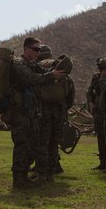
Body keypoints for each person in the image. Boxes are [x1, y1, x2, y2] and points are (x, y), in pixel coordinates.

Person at [7, 37, 67, 189]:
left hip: (31, 112)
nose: (38, 52)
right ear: (26, 49)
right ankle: (18, 180)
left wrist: (55, 71)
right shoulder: (19, 64)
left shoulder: (32, 64)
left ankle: (24, 176)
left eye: (39, 50)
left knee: (32, 145)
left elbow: (43, 73)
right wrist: (51, 76)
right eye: (35, 49)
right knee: (22, 145)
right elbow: (31, 79)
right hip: (19, 112)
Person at [36, 46, 75, 182]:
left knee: (42, 143)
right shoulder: (63, 71)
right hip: (59, 114)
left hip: (43, 113)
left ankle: (41, 173)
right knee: (54, 143)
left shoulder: (40, 71)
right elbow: (70, 97)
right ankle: (51, 173)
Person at [87, 59, 106, 170]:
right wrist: (91, 102)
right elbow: (90, 91)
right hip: (98, 111)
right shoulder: (96, 77)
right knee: (101, 137)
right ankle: (103, 162)